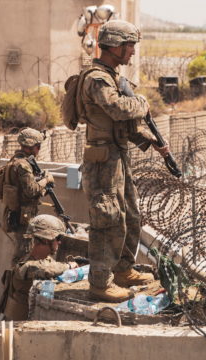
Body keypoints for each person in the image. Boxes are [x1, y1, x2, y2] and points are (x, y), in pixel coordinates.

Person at [77, 20, 170, 303]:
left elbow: (124, 125)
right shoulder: (97, 78)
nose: (132, 51)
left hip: (117, 157)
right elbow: (118, 109)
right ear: (115, 45)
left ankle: (123, 270)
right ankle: (100, 283)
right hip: (102, 160)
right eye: (129, 45)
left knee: (130, 215)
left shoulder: (113, 76)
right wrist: (142, 103)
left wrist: (147, 139)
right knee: (107, 219)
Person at [0, 215, 80, 321]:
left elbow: (50, 274)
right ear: (46, 240)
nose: (59, 242)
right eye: (58, 238)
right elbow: (42, 269)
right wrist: (69, 266)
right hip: (17, 329)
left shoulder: (48, 261)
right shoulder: (25, 265)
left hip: (36, 323)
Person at [2, 128, 55, 264]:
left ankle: (15, 281)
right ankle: (16, 283)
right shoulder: (23, 165)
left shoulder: (14, 161)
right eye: (38, 146)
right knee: (23, 255)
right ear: (34, 147)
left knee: (22, 253)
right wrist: (47, 180)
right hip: (24, 217)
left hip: (18, 214)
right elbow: (31, 190)